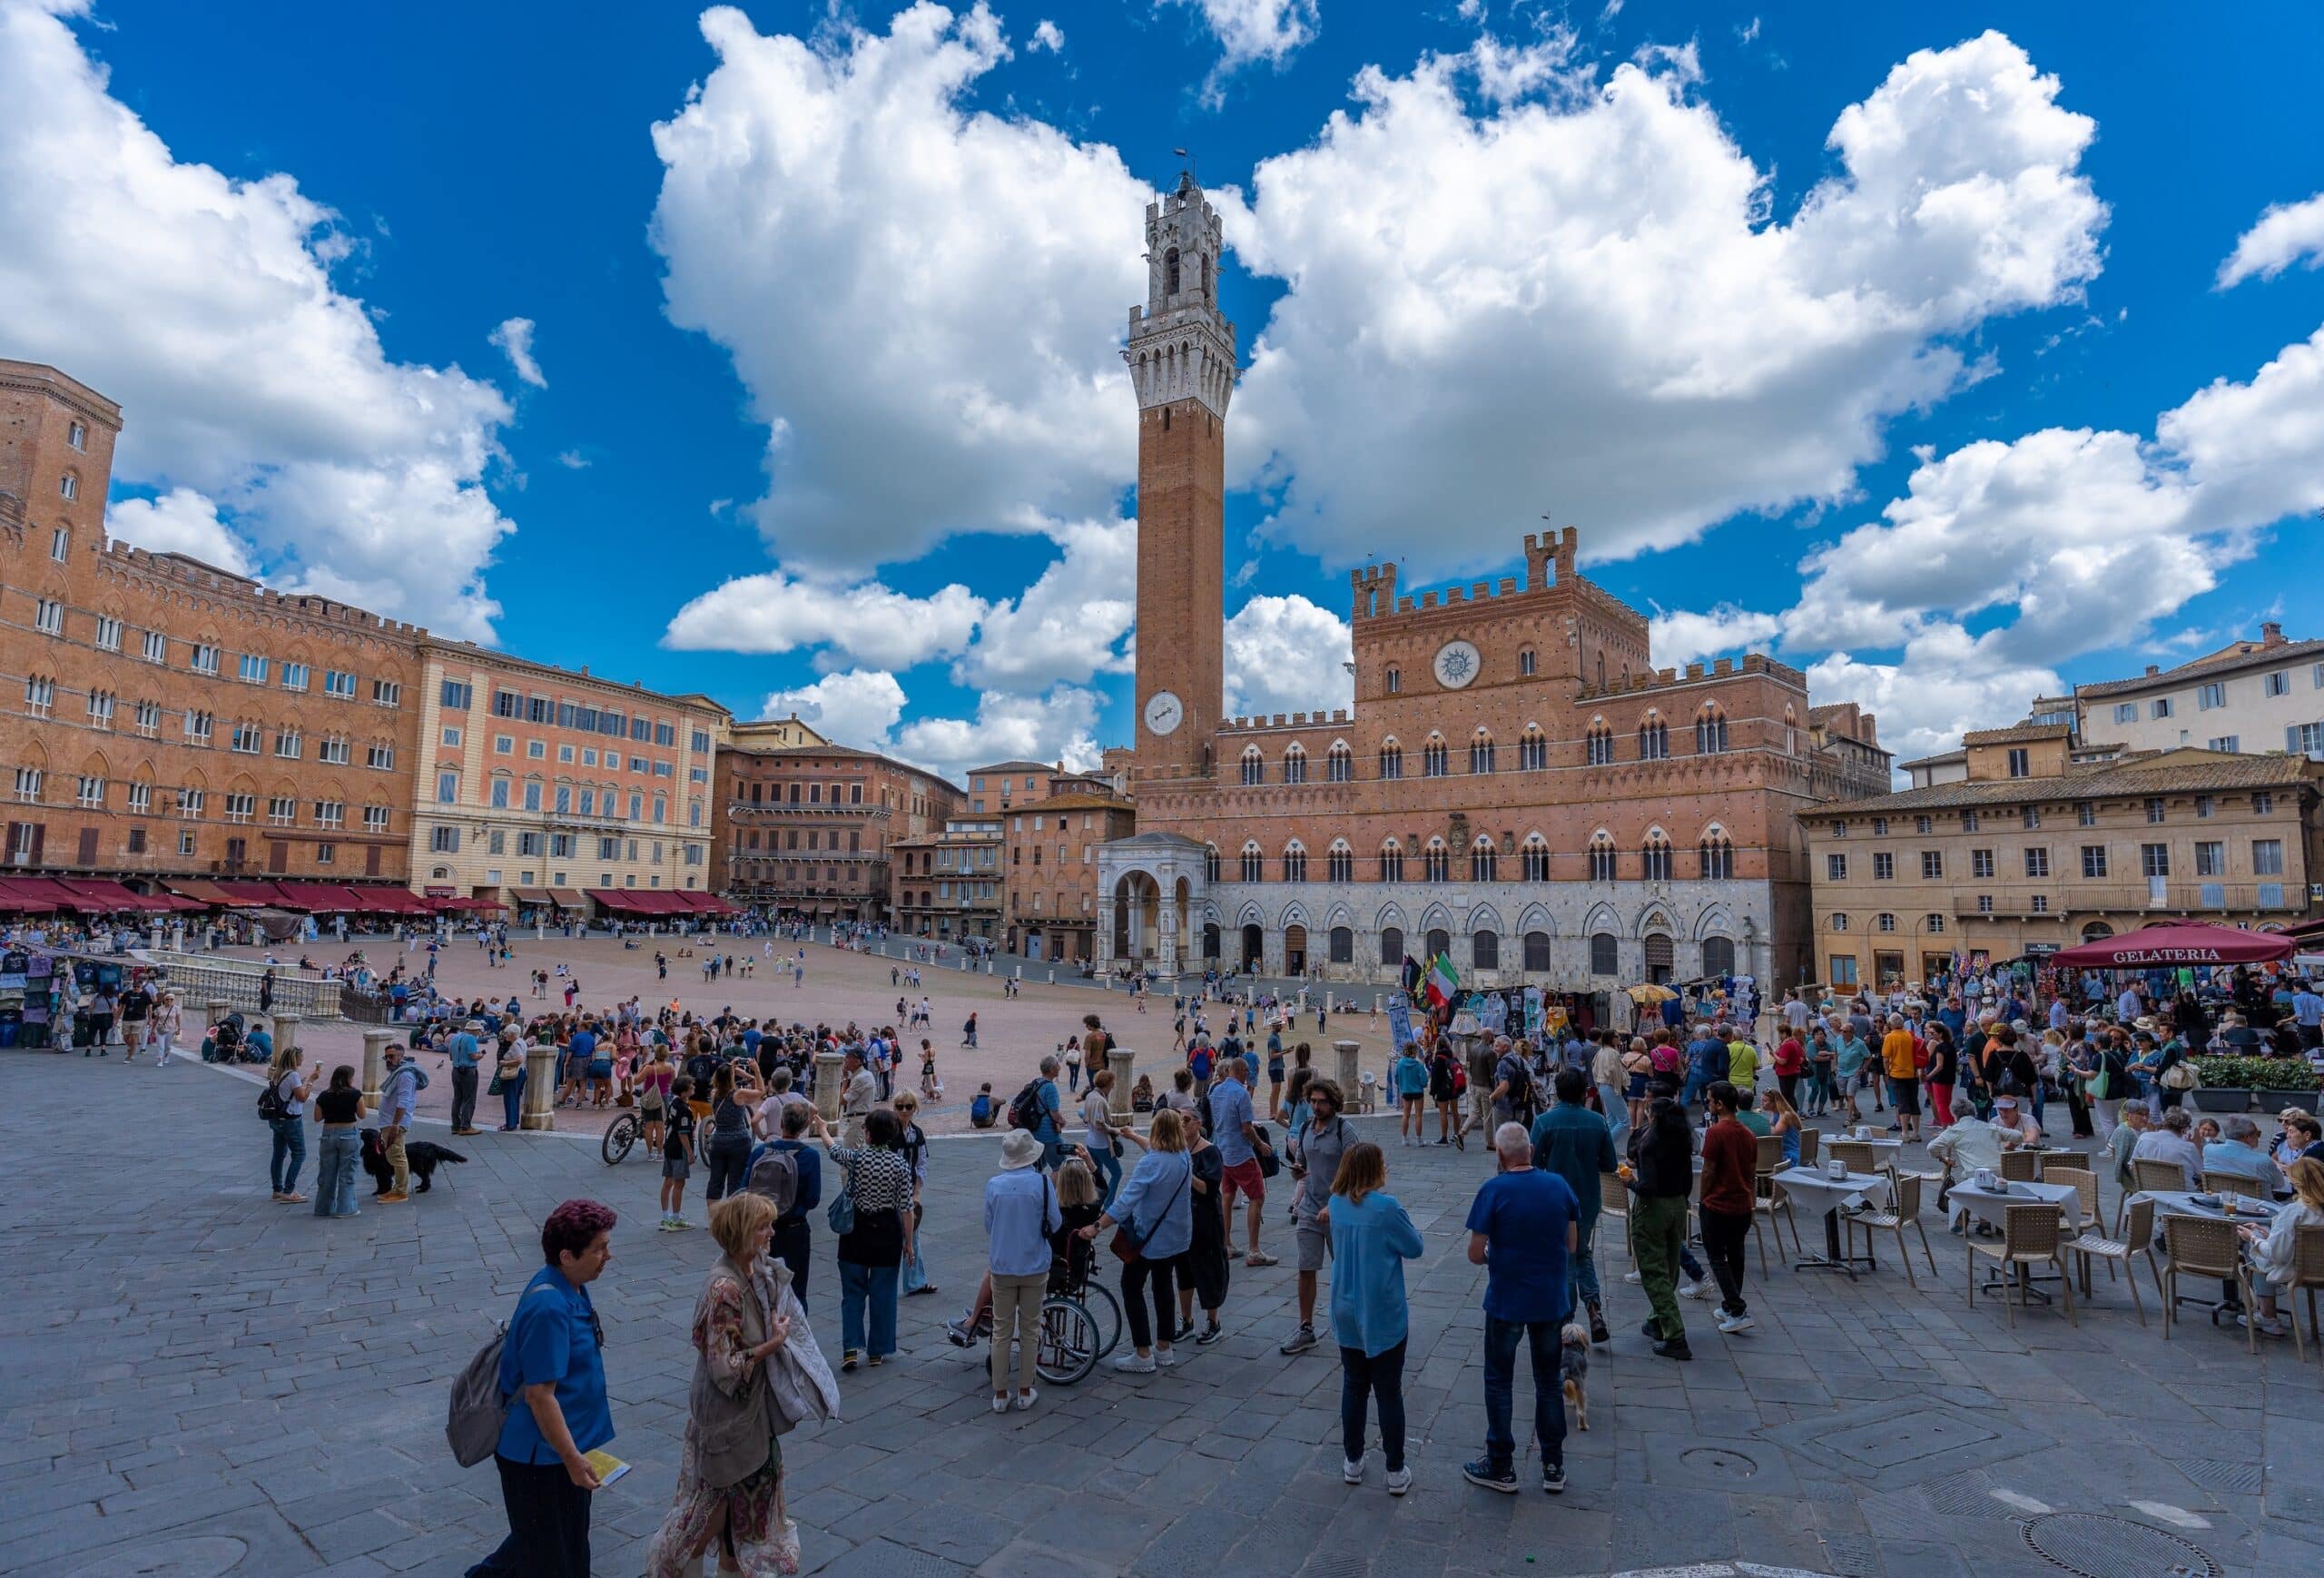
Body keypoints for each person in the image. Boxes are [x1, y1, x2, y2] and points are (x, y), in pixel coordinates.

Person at [642, 1193, 801, 1577]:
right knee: (714, 1511)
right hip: (728, 1419)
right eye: (763, 1227)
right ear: (742, 1233)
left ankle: (726, 1569)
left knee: (740, 1520)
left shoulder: (752, 1270)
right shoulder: (725, 1288)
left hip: (748, 1415)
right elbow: (724, 1367)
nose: (771, 1232)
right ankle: (674, 1569)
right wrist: (774, 1343)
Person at [469, 1199, 617, 1578]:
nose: (608, 1256)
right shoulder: (550, 1307)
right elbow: (539, 1395)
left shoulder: (571, 1286)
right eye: (599, 1248)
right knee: (557, 1557)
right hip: (541, 1458)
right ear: (567, 1256)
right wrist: (573, 1459)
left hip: (558, 1451)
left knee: (548, 1543)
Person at [1462, 1123, 1581, 1494]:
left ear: (1500, 1155)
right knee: (1548, 1381)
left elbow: (1474, 1253)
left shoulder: (1493, 1190)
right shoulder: (1559, 1186)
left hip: (1506, 1300)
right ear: (1530, 1150)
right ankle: (1553, 1464)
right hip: (1550, 1300)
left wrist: (1495, 1254)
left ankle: (1501, 1465)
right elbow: (1572, 1245)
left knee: (1499, 1381)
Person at [1325, 1141, 1423, 1494]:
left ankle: (1353, 1460)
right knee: (1388, 1389)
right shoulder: (1386, 1208)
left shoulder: (1335, 1204)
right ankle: (1395, 1469)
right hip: (1380, 1309)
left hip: (1344, 1305)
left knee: (1354, 1385)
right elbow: (1414, 1247)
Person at [1088, 1107, 1195, 1374]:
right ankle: (1164, 1347)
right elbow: (1155, 1150)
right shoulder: (1183, 1155)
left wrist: (1097, 1226)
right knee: (1163, 1285)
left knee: (1131, 1286)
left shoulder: (1151, 1163)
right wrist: (1134, 1136)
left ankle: (1143, 1351)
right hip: (1176, 1235)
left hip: (1149, 1237)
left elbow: (1126, 1202)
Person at [1528, 1067, 1620, 1346]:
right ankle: (1593, 1308)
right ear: (1583, 1092)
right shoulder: (1598, 1122)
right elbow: (1610, 1164)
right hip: (1588, 1198)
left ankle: (1566, 1319)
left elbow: (1533, 1163)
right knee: (1581, 1252)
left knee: (1565, 1256)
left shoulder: (1544, 1122)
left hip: (1554, 1200)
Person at [820, 1108, 912, 1371]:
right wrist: (908, 1242)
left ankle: (850, 1348)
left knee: (852, 1292)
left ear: (868, 1133)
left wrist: (824, 1129)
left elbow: (832, 1149)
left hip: (856, 1231)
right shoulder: (900, 1165)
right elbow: (906, 1208)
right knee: (883, 1294)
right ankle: (877, 1350)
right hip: (887, 1232)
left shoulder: (857, 1158)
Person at [983, 1129, 1063, 1412]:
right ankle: (1026, 1390)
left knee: (1001, 1329)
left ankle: (1000, 1393)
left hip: (1003, 1264)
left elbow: (989, 1224)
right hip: (1034, 1263)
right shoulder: (1042, 1183)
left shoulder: (994, 1185)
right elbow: (1055, 1222)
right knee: (1030, 1328)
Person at [1280, 1078, 1352, 1356]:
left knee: (1344, 1270)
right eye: (1313, 1101)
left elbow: (1356, 1171)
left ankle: (1351, 1323)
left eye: (1322, 1102)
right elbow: (1302, 1163)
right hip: (1310, 1209)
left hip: (1340, 1212)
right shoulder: (1306, 1128)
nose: (1316, 1106)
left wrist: (1335, 1203)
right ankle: (1306, 1328)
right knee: (1306, 1268)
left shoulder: (1345, 1130)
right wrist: (1297, 1170)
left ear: (1334, 1103)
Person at [1630, 1095, 1695, 1361]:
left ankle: (1675, 1334)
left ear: (1654, 1116)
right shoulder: (1683, 1140)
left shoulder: (1651, 1143)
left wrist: (1629, 1182)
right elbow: (1688, 1181)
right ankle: (1657, 1320)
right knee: (1670, 1264)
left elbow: (1647, 1187)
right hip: (1678, 1204)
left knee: (1654, 1271)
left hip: (1653, 1208)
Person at [1697, 1083, 1758, 1336]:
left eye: (1710, 1100)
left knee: (1716, 1257)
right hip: (1742, 1204)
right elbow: (1752, 1172)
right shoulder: (1748, 1134)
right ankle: (1730, 1306)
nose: (1708, 1104)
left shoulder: (1716, 1132)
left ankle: (1737, 1308)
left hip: (1718, 1203)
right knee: (1736, 1255)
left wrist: (1702, 1198)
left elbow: (1709, 1170)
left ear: (1720, 1104)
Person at [2241, 1158, 2324, 1338]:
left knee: (2251, 1249)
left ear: (2297, 1183)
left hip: (2296, 1269)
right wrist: (2269, 1235)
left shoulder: (2294, 1211)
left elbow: (2275, 1254)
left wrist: (2253, 1238)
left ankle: (2267, 1315)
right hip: (2317, 1268)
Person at [1208, 1057, 1275, 1267]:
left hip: (1223, 1151)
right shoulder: (1241, 1093)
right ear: (1242, 1071)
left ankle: (1226, 1243)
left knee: (1227, 1196)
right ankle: (1254, 1250)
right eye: (1248, 1071)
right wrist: (1260, 1144)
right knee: (1257, 1197)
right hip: (1241, 1154)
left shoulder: (1215, 1091)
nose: (1249, 1075)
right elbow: (1246, 1128)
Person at [1174, 1107, 1230, 1346]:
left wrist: (1187, 1171)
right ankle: (1187, 1320)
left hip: (1206, 1220)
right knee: (1184, 1271)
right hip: (1182, 1220)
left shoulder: (1210, 1151)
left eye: (1186, 1119)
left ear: (1198, 1123)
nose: (1182, 1123)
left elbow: (1208, 1188)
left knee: (1208, 1270)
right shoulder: (1177, 1149)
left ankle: (1213, 1321)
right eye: (1179, 1119)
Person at [760, 1103, 822, 1304]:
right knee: (797, 1290)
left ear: (781, 1123)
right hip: (795, 1228)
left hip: (761, 1227)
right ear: (805, 1126)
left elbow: (745, 1189)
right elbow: (812, 1199)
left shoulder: (760, 1152)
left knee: (761, 1288)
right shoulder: (810, 1156)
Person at [310, 1063, 367, 1218]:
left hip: (328, 1134)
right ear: (349, 1078)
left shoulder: (323, 1095)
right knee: (347, 1173)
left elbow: (317, 1117)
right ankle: (345, 1208)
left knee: (326, 1174)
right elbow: (362, 1115)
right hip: (348, 1133)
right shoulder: (355, 1094)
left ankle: (323, 1208)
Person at [266, 1043, 311, 1205]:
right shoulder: (293, 1075)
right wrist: (311, 1082)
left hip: (277, 1118)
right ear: (295, 1058)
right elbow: (302, 1098)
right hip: (291, 1120)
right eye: (301, 1056)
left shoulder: (278, 1073)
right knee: (299, 1154)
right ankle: (288, 1191)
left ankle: (277, 1189)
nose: (303, 1059)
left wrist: (300, 1083)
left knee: (278, 1154)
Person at [704, 1065, 754, 1205]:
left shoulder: (714, 1093)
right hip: (739, 1141)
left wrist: (729, 1068)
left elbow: (723, 1075)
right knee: (736, 1182)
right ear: (732, 1077)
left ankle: (713, 1215)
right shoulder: (739, 1094)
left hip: (719, 1141)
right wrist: (752, 1072)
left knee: (715, 1180)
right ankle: (732, 1215)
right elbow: (760, 1090)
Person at [378, 1042, 419, 1204]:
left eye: (391, 1056)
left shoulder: (405, 1075)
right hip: (389, 1121)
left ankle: (401, 1191)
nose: (388, 1059)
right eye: (386, 1057)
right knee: (393, 1155)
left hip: (395, 1123)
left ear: (401, 1056)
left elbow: (403, 1101)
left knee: (397, 1156)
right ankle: (397, 1188)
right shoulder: (398, 1073)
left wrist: (395, 1123)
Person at [2132, 1106, 2205, 1190]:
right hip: (2182, 1195)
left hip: (2149, 1192)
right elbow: (2201, 1174)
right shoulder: (2189, 1148)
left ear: (2164, 1122)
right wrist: (2198, 1148)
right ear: (2184, 1129)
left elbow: (2132, 1166)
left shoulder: (2144, 1138)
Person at [661, 1076, 698, 1231]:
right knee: (679, 1184)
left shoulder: (674, 1103)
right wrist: (690, 1153)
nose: (693, 1087)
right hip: (679, 1150)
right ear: (684, 1092)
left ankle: (665, 1218)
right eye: (691, 1086)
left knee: (667, 1182)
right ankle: (675, 1218)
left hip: (669, 1146)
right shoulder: (684, 1109)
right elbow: (683, 1134)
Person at [1081, 1069, 1123, 1208]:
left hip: (1090, 1142)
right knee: (1117, 1173)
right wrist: (1114, 1130)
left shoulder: (1090, 1095)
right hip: (1102, 1144)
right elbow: (1099, 1124)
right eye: (1112, 1084)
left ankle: (1095, 1202)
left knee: (1097, 1174)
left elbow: (1085, 1116)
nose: (1113, 1086)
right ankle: (1108, 1204)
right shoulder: (1100, 1101)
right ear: (1108, 1084)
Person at [2204, 1115, 2276, 1188]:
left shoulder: (2208, 1150)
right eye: (2258, 1134)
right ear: (2247, 1137)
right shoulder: (2263, 1160)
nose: (2258, 1137)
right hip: (2255, 1196)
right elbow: (2279, 1185)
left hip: (2219, 1194)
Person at [1880, 1014, 1922, 1140]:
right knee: (1914, 1102)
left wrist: (1887, 1071)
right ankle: (1916, 1133)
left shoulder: (1890, 1037)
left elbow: (1886, 1058)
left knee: (1902, 1103)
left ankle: (1905, 1133)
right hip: (1912, 1073)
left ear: (1891, 1024)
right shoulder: (1910, 1035)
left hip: (1897, 1074)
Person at [1393, 1043, 1430, 1145]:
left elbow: (1396, 1078)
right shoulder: (1419, 1065)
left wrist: (1402, 1085)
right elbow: (1424, 1081)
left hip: (1406, 1091)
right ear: (1414, 1052)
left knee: (1406, 1115)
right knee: (1418, 1116)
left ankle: (1404, 1138)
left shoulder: (1400, 1064)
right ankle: (1419, 1139)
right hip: (1418, 1092)